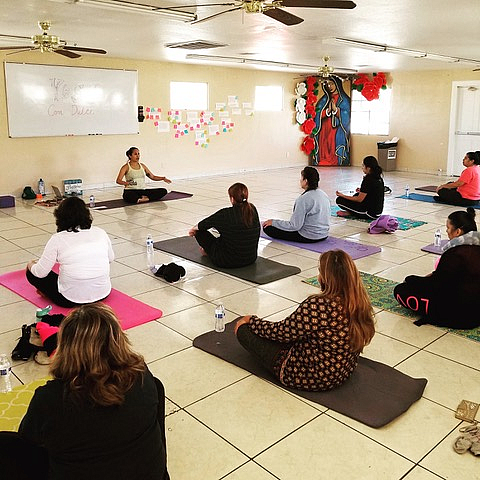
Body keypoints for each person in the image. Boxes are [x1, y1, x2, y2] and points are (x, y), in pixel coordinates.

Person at [0, 304, 169, 480]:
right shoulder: (141, 374)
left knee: (7, 445)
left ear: (65, 349)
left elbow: (28, 438)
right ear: (118, 339)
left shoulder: (50, 399)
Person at [234, 250, 375, 391]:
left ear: (327, 277)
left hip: (310, 376)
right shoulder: (360, 301)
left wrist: (252, 321)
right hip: (342, 371)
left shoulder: (320, 304)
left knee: (243, 331)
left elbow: (282, 332)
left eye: (320, 272)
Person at [393, 208, 480, 329]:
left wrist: (412, 280)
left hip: (461, 315)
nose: (447, 231)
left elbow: (436, 286)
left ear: (458, 231)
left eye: (448, 228)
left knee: (401, 290)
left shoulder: (455, 252)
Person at [26, 196, 114, 308]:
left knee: (31, 272)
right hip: (102, 294)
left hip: (68, 300)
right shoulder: (100, 232)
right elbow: (111, 258)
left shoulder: (57, 239)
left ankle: (49, 293)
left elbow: (40, 273)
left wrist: (30, 264)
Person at [188, 182, 260, 268]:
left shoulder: (225, 214)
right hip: (250, 258)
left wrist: (193, 230)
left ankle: (207, 252)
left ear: (232, 198)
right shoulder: (252, 209)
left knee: (199, 232)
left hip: (227, 261)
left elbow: (202, 225)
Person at [263, 166, 330, 243]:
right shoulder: (324, 194)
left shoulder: (303, 199)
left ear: (306, 181)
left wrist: (273, 222)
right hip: (324, 234)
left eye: (301, 178)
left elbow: (295, 226)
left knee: (268, 228)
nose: (300, 180)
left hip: (309, 236)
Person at [313, 76, 351, 166]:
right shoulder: (324, 99)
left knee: (333, 143)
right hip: (324, 128)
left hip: (337, 128)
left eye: (332, 84)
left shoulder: (344, 100)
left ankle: (336, 160)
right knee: (325, 144)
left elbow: (347, 114)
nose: (329, 86)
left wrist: (336, 110)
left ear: (337, 84)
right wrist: (327, 111)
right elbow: (317, 113)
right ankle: (322, 159)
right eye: (328, 84)